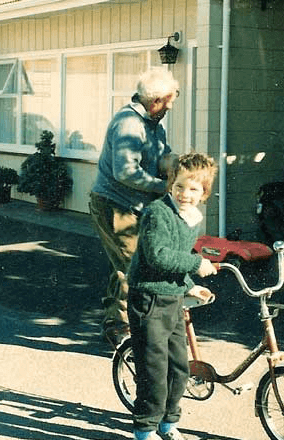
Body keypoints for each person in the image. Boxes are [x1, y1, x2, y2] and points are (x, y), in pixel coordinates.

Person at [127, 152, 218, 440]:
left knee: (179, 369)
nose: (185, 194)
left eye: (193, 189)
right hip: (149, 298)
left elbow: (178, 256)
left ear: (204, 193)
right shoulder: (158, 213)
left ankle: (168, 422)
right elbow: (158, 255)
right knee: (154, 370)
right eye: (179, 186)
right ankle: (143, 430)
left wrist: (191, 285)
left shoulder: (192, 217)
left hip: (173, 298)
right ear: (170, 184)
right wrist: (196, 265)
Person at [89, 67, 179, 342]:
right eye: (170, 100)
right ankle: (120, 329)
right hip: (115, 206)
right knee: (135, 265)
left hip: (134, 205)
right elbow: (125, 172)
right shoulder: (129, 124)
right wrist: (162, 187)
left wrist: (181, 168)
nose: (172, 105)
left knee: (130, 263)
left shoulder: (153, 123)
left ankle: (117, 320)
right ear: (156, 101)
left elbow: (162, 157)